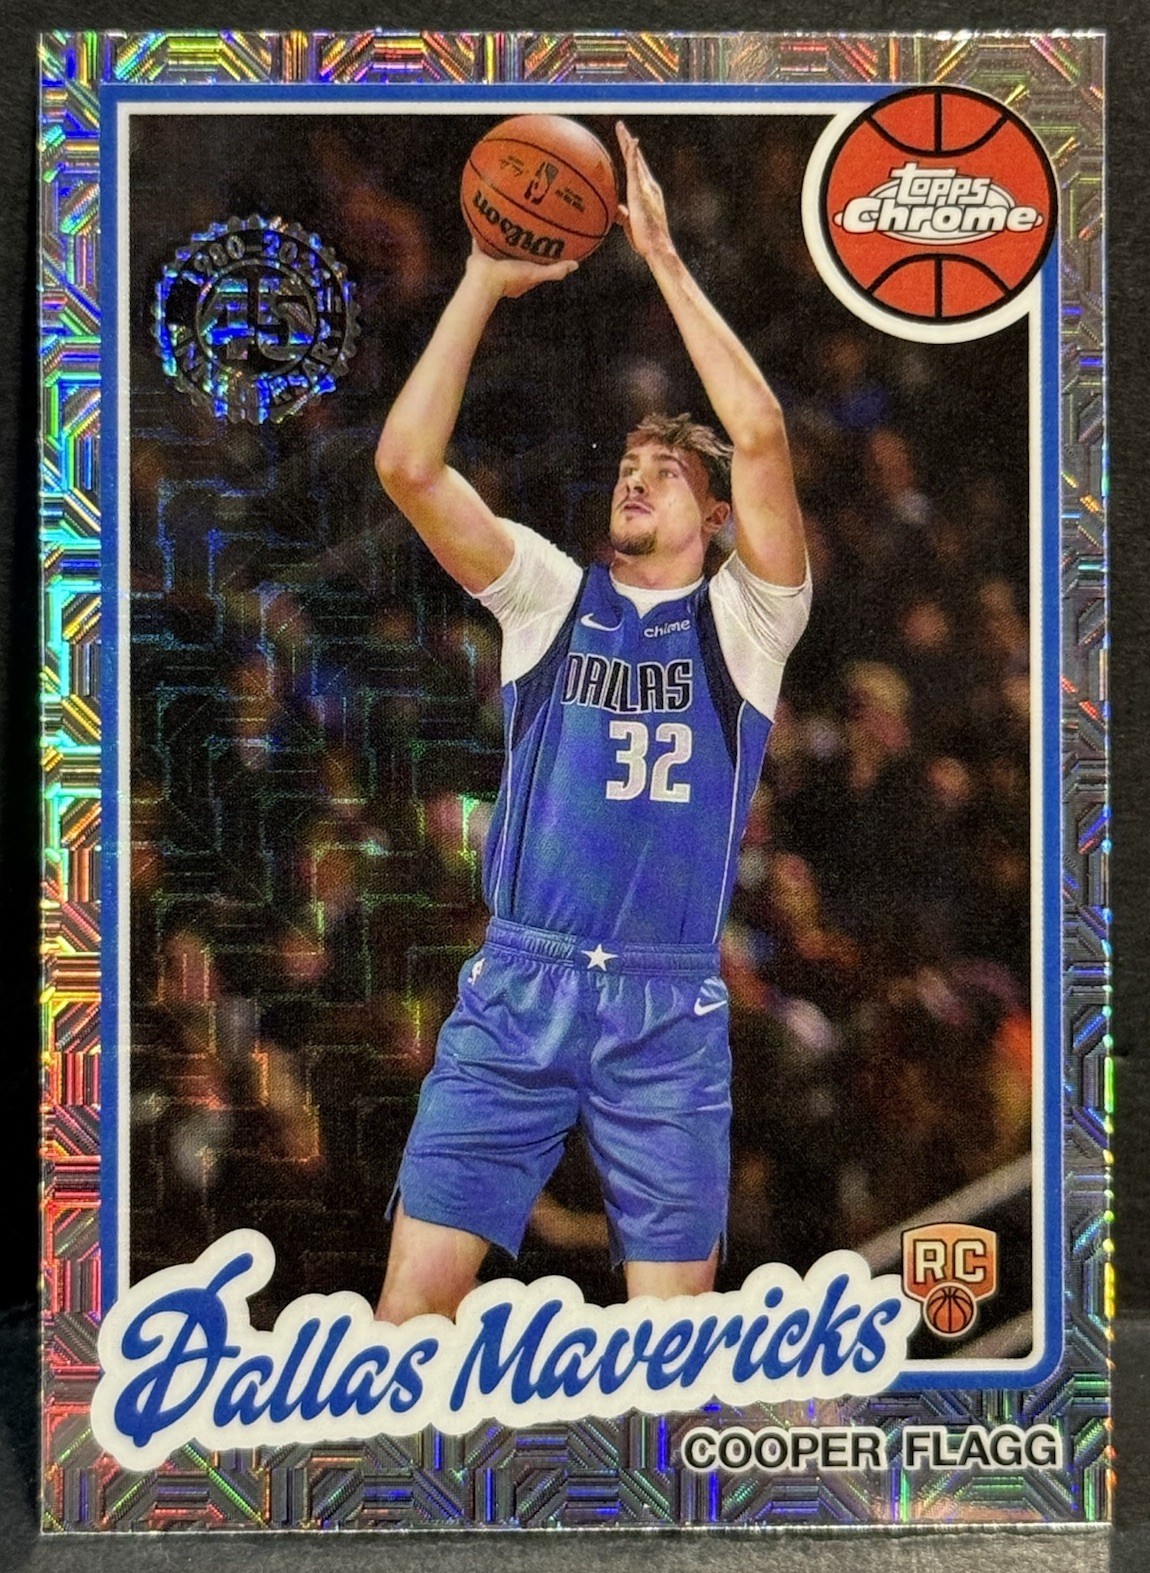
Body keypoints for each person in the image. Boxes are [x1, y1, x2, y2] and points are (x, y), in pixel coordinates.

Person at [372, 122, 810, 1321]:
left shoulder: (748, 624)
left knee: (670, 1349)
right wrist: (480, 277)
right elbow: (408, 465)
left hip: (665, 1007)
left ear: (715, 519)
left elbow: (761, 434)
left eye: (665, 471)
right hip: (520, 984)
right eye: (628, 460)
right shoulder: (547, 598)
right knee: (404, 1322)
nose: (635, 473)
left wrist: (662, 259)